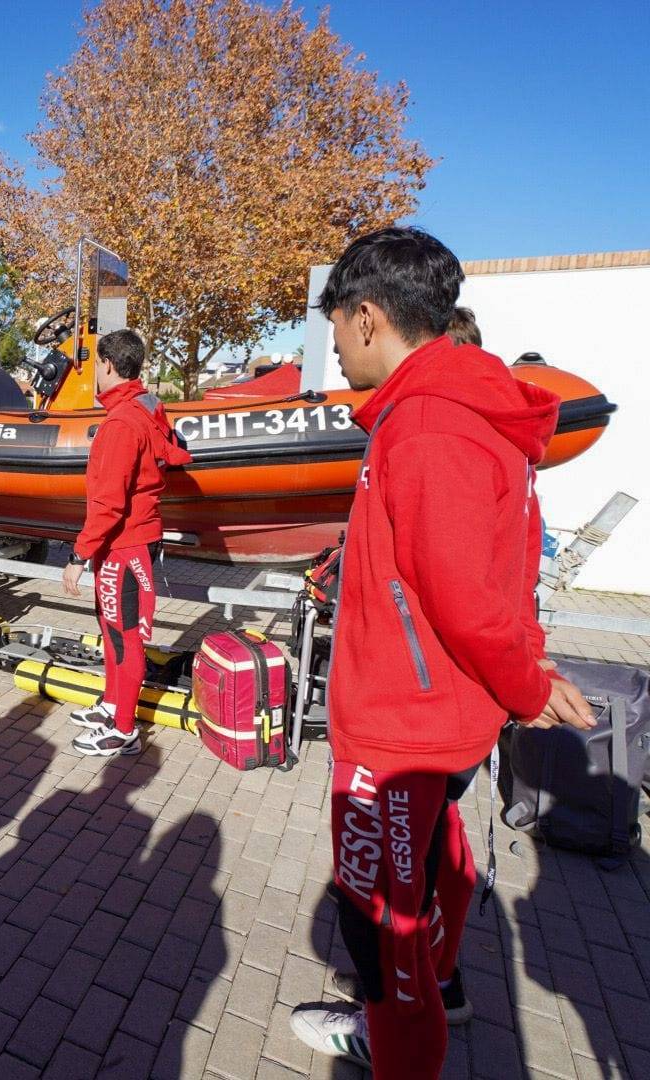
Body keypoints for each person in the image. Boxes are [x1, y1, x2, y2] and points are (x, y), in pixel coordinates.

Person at [288, 227, 595, 1077]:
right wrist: (523, 674)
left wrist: (527, 687)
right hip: (441, 713)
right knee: (433, 860)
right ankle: (445, 987)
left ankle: (405, 1041)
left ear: (368, 318)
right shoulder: (473, 408)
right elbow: (513, 568)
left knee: (379, 926)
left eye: (338, 331)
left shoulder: (426, 425)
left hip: (401, 723)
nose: (337, 351)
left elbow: (463, 590)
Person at [60, 329, 190, 756]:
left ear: (109, 365)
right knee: (112, 629)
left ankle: (123, 728)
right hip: (131, 543)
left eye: (97, 364)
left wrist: (79, 555)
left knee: (123, 637)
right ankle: (113, 702)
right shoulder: (145, 410)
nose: (95, 371)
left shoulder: (121, 424)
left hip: (122, 545)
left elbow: (108, 503)